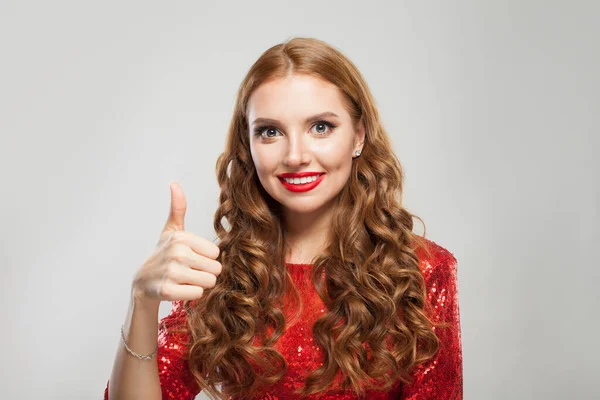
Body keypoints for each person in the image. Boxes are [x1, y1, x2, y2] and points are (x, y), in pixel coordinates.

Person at [104, 37, 463, 399]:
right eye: (270, 131)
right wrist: (142, 301)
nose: (295, 156)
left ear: (359, 136)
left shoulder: (419, 271)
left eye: (320, 127)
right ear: (248, 146)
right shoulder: (222, 275)